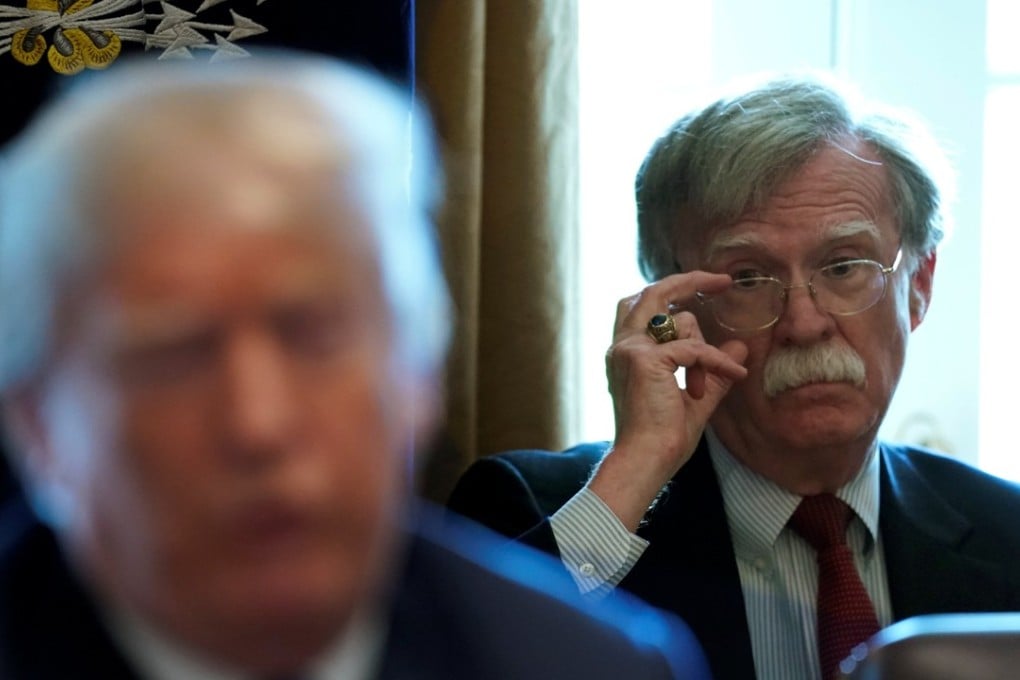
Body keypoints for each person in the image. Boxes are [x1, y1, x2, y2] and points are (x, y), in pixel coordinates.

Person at [0, 53, 712, 679]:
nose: (259, 423)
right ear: (34, 421)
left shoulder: (590, 666)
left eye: (314, 336)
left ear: (418, 376)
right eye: (177, 356)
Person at [448, 75, 1020, 680]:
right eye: (747, 278)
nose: (804, 323)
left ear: (920, 287)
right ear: (674, 313)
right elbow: (454, 662)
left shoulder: (1007, 533)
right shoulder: (529, 508)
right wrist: (639, 465)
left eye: (844, 266)